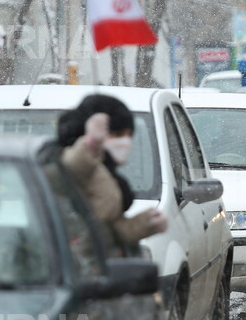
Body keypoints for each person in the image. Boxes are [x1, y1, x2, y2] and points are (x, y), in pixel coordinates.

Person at [57, 94, 167, 255]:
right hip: (76, 265)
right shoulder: (75, 164)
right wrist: (90, 144)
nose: (125, 142)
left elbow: (111, 231)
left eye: (128, 136)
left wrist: (146, 223)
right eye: (117, 135)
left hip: (101, 265)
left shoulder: (107, 175)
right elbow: (71, 169)